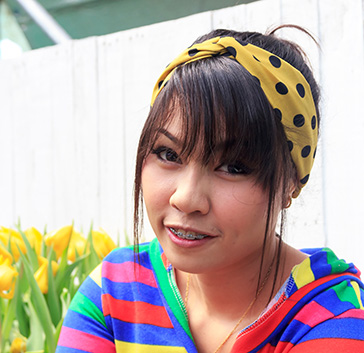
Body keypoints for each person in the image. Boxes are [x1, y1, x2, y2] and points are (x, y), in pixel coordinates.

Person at [56, 27, 364, 353]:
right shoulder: (114, 293)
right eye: (169, 154)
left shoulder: (333, 319)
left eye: (233, 167)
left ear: (289, 183)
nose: (186, 199)